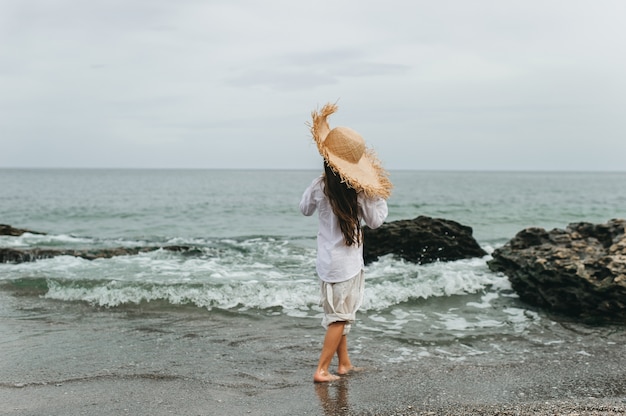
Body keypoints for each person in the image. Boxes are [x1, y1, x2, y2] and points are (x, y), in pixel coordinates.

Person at [300, 103, 392, 383]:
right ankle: (321, 370)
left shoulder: (319, 185)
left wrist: (316, 188)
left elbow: (304, 209)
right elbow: (376, 221)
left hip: (326, 262)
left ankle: (344, 364)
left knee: (336, 314)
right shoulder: (359, 192)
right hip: (348, 263)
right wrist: (376, 194)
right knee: (340, 318)